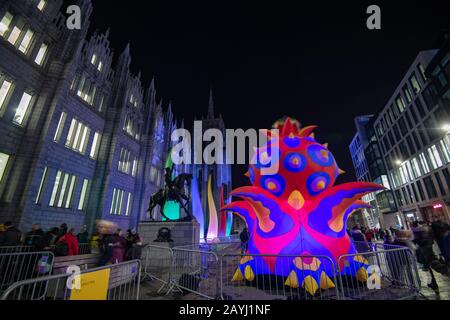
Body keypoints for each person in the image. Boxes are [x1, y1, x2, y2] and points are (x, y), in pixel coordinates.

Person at [412, 221, 439, 294]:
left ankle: (434, 285)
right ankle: (434, 284)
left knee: (429, 267)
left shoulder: (417, 231)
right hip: (429, 248)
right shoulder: (425, 229)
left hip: (424, 250)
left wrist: (414, 243)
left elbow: (417, 240)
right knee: (431, 265)